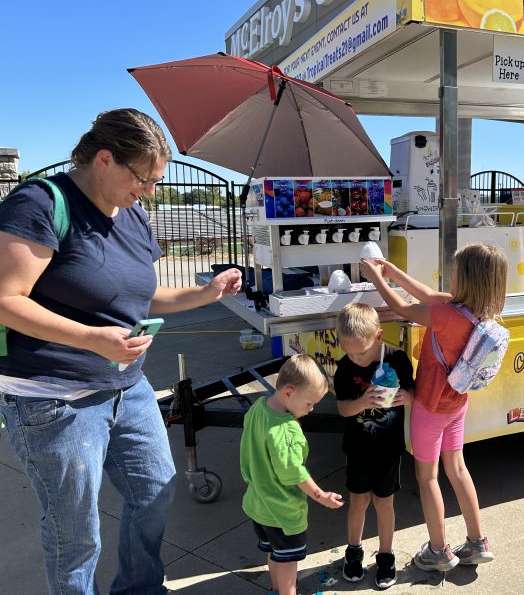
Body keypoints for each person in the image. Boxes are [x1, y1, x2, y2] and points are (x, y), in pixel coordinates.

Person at [0, 108, 242, 595]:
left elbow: (141, 294)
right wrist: (90, 338)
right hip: (55, 399)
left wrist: (207, 293)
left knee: (155, 491)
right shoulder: (40, 204)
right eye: (144, 178)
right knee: (76, 532)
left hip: (126, 388)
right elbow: (6, 299)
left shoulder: (132, 213)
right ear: (105, 159)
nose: (150, 191)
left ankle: (140, 589)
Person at [359, 243, 507, 572]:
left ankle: (438, 551)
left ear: (465, 279)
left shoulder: (443, 314)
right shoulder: (475, 311)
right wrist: (392, 270)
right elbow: (425, 292)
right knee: (457, 469)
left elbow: (402, 306)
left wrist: (376, 280)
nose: (447, 277)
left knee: (427, 479)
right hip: (457, 406)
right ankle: (477, 541)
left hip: (430, 408)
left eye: (453, 273)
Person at [240, 354, 344, 595]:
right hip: (283, 513)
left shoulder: (258, 408)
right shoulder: (287, 431)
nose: (311, 409)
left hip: (259, 506)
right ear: (289, 392)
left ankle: (275, 589)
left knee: (275, 554)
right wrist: (321, 495)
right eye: (309, 403)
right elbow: (294, 474)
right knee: (288, 562)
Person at [333, 302, 415, 589]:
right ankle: (353, 552)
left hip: (389, 449)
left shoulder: (398, 360)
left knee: (384, 502)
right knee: (358, 501)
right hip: (357, 448)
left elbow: (414, 391)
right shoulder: (344, 368)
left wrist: (408, 397)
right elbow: (342, 408)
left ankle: (385, 555)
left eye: (361, 351)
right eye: (348, 350)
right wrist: (361, 402)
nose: (355, 357)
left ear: (378, 336)